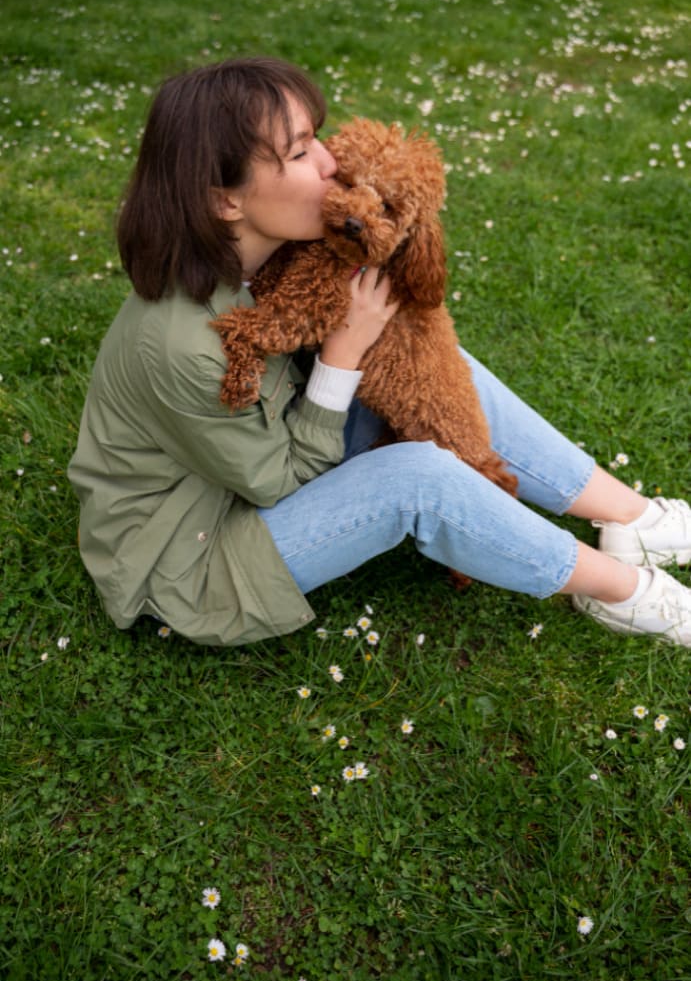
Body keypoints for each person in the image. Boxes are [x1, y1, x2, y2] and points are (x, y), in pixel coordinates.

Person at [67, 56, 691, 648]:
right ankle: (628, 593)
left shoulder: (267, 258)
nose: (328, 162)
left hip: (245, 471)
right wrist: (343, 355)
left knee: (433, 372)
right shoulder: (184, 345)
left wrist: (358, 350)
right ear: (226, 200)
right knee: (415, 479)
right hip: (192, 562)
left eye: (317, 138)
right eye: (299, 152)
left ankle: (634, 520)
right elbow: (276, 484)